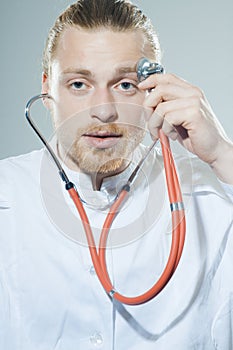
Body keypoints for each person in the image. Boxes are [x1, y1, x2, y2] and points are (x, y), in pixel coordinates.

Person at [0, 0, 233, 349]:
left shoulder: (213, 195)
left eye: (125, 85)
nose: (105, 111)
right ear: (48, 91)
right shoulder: (6, 193)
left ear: (154, 91)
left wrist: (222, 154)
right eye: (79, 84)